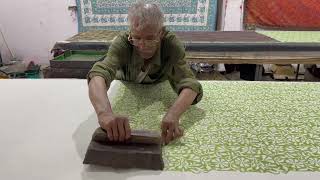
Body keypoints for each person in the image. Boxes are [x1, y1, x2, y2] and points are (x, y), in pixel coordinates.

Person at [87, 1, 203, 144]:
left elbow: (190, 83)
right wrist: (104, 114)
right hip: (127, 83)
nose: (142, 45)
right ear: (131, 33)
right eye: (137, 38)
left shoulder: (171, 45)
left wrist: (173, 114)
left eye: (150, 38)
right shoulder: (123, 42)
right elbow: (99, 74)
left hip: (159, 85)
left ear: (161, 33)